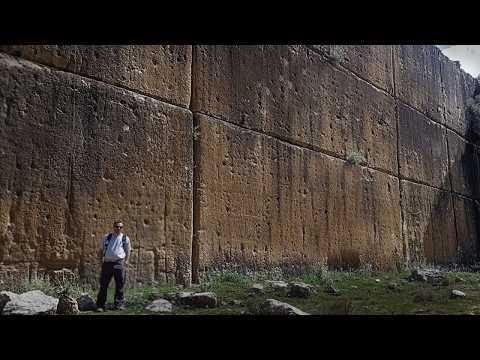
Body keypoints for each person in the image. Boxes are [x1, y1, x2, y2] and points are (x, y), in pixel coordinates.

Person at [96, 221, 132, 311]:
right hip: (107, 263)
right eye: (117, 226)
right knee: (103, 285)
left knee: (119, 285)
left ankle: (118, 304)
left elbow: (128, 250)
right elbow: (100, 250)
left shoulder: (125, 238)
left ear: (122, 228)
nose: (118, 228)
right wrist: (100, 261)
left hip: (119, 263)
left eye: (120, 227)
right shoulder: (106, 237)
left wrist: (126, 261)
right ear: (113, 227)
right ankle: (100, 305)